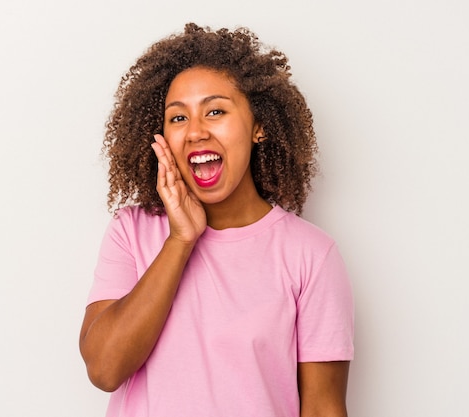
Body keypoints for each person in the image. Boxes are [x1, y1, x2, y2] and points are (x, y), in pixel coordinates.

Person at [79, 23, 354, 417]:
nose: (195, 132)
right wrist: (180, 240)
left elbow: (323, 407)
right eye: (177, 119)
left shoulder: (310, 254)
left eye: (215, 111)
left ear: (259, 125)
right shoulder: (132, 231)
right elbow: (104, 369)